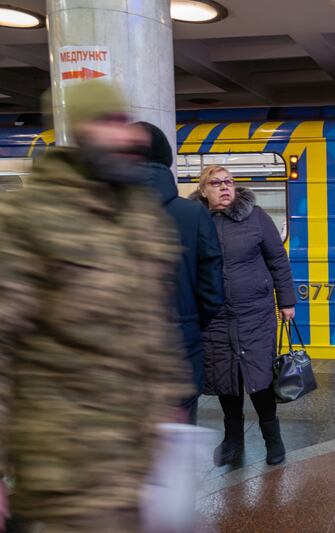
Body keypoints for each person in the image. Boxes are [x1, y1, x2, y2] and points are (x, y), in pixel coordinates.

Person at [0, 80, 191, 531]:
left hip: (135, 460)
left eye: (125, 121)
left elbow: (152, 325)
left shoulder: (140, 217)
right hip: (64, 469)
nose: (130, 135)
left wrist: (168, 402)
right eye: (109, 122)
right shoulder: (28, 219)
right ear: (79, 134)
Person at [190, 165, 296, 466]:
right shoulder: (196, 222)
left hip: (255, 314)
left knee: (259, 378)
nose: (224, 188)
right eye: (216, 183)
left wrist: (286, 301)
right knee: (226, 380)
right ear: (203, 190)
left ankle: (273, 440)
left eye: (229, 182)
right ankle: (232, 440)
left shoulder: (256, 217)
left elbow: (278, 259)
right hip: (215, 317)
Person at [139, 121, 225, 425]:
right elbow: (212, 289)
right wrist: (189, 321)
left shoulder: (97, 213)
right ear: (166, 160)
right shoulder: (193, 214)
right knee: (177, 432)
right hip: (179, 344)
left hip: (117, 356)